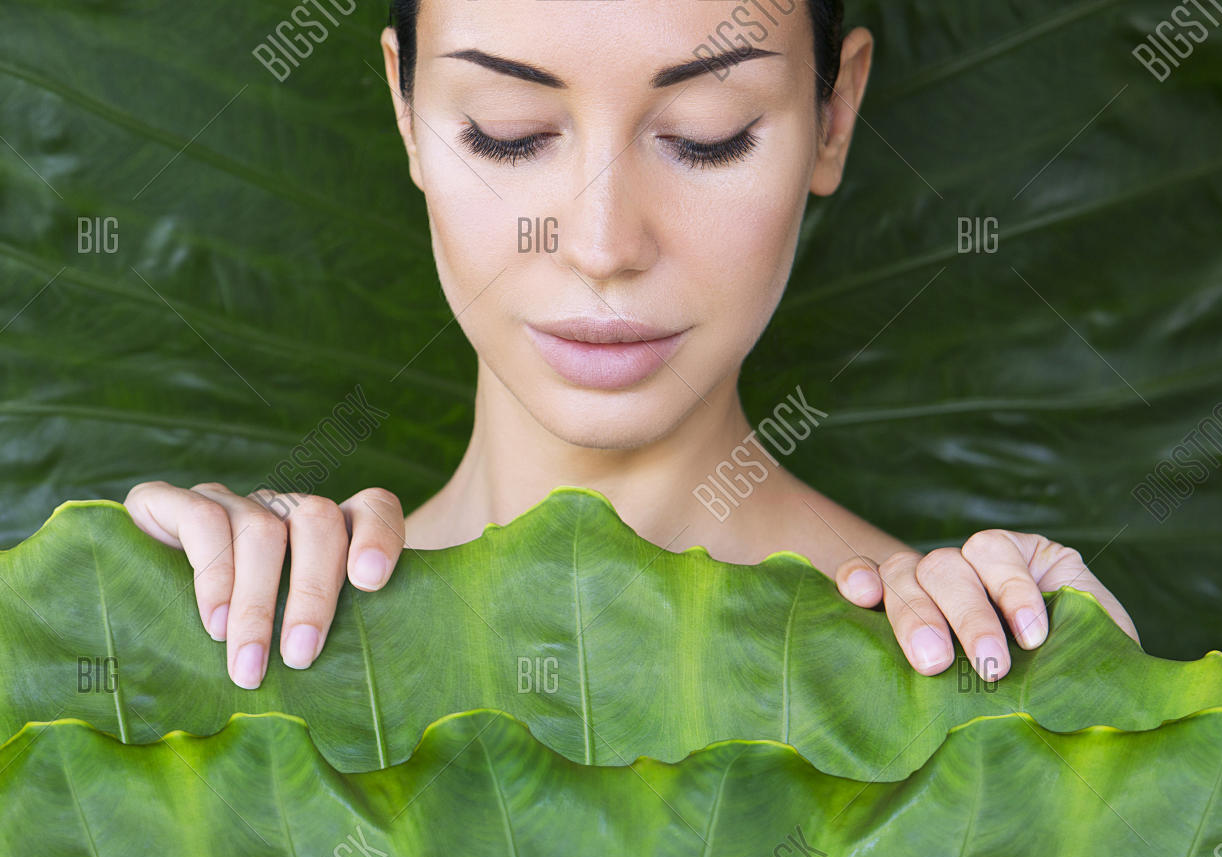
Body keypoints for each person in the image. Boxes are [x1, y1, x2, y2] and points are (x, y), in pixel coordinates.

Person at [126, 0, 1138, 693]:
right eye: (507, 133)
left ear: (832, 117)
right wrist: (160, 632)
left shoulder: (960, 673)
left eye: (707, 136)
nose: (603, 246)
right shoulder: (267, 636)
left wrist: (1107, 746)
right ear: (406, 111)